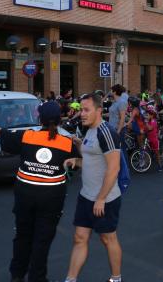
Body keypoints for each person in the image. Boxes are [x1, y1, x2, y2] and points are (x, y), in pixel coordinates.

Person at [0, 101, 79, 282]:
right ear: (59, 120)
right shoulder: (66, 144)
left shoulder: (28, 136)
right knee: (42, 240)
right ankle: (37, 278)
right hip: (51, 198)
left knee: (23, 236)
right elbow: (83, 156)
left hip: (25, 195)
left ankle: (17, 276)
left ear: (39, 118)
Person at [65, 93, 123, 282]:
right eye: (81, 109)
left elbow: (114, 168)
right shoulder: (89, 130)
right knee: (79, 238)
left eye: (86, 110)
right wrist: (77, 157)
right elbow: (92, 158)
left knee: (108, 239)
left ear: (99, 111)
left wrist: (101, 198)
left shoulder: (107, 132)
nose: (81, 113)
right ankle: (70, 279)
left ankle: (116, 279)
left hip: (105, 199)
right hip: (86, 196)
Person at [145, 106, 162, 170]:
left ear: (152, 115)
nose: (147, 115)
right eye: (147, 114)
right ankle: (147, 162)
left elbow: (150, 128)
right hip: (149, 139)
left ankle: (160, 165)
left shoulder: (153, 121)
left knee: (157, 153)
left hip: (154, 139)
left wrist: (146, 122)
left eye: (149, 114)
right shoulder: (149, 121)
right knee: (149, 150)